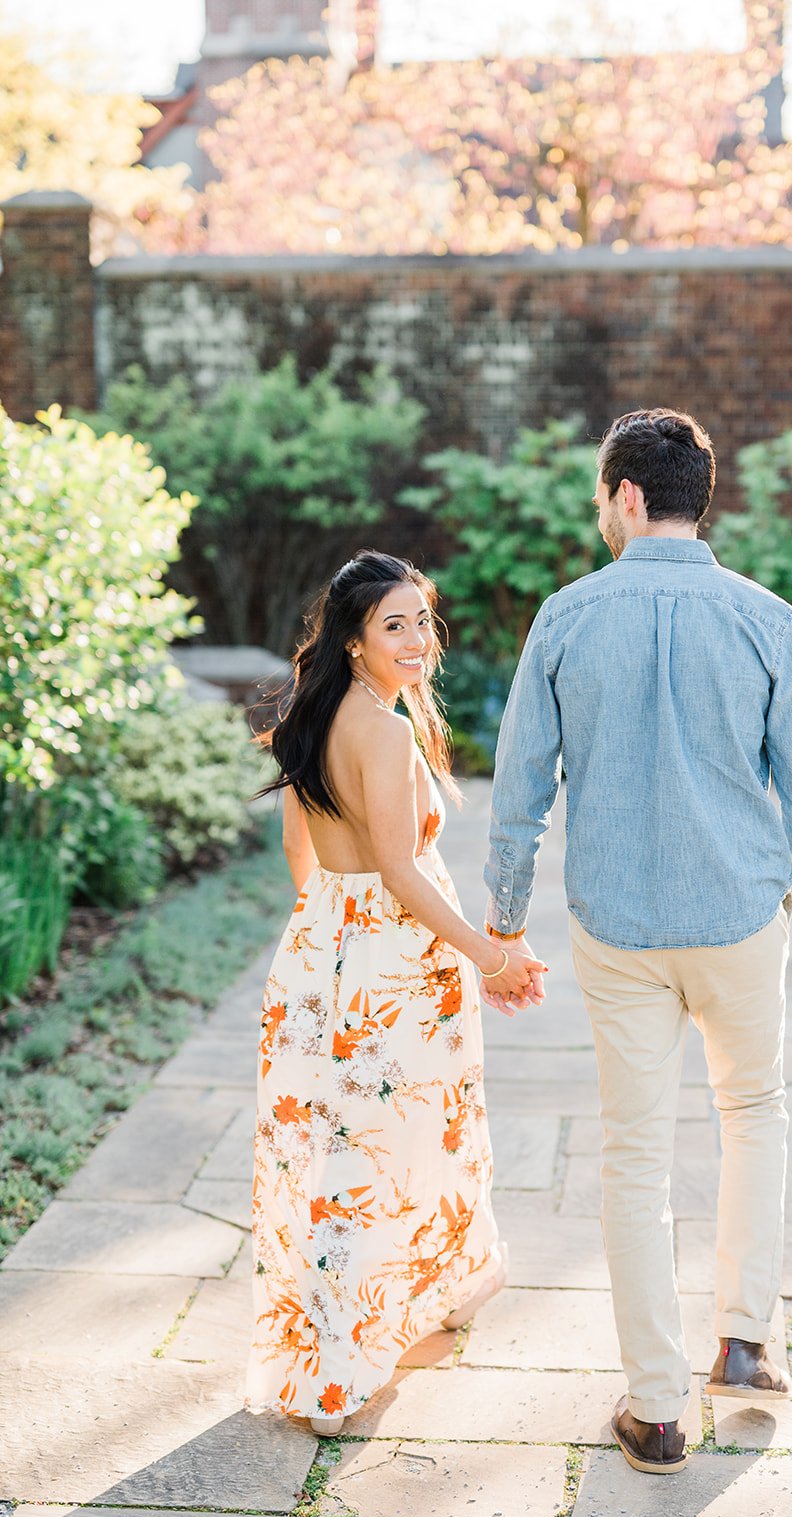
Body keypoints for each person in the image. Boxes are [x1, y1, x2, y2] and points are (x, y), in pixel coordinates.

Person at [482, 409, 792, 1474]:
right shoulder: (766, 618)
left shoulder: (564, 617)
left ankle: (654, 1408)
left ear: (629, 497)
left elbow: (517, 794)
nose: (603, 513)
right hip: (741, 916)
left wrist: (504, 922)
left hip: (617, 924)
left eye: (604, 497)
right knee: (755, 1115)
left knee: (633, 1154)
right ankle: (744, 1344)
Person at [245, 551, 545, 1436]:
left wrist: (329, 948)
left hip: (320, 952)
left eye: (423, 620)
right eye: (395, 625)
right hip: (391, 966)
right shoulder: (382, 731)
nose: (418, 640)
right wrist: (488, 955)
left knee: (339, 1153)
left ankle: (389, 1318)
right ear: (353, 640)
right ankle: (341, 1372)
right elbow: (401, 870)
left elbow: (305, 859)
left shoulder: (312, 713)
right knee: (386, 1151)